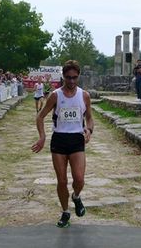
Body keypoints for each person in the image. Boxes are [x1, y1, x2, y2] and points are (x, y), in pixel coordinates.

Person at [31, 60, 94, 228]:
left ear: (78, 76)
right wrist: (42, 137)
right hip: (59, 139)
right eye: (68, 78)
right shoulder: (55, 95)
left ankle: (76, 196)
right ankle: (65, 211)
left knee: (79, 179)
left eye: (74, 77)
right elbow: (40, 116)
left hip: (76, 140)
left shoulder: (84, 95)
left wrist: (89, 130)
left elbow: (89, 118)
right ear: (63, 77)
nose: (71, 81)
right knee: (61, 181)